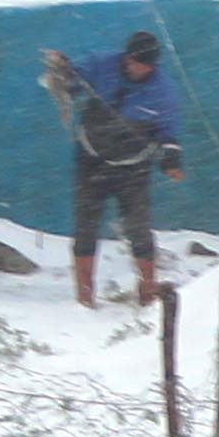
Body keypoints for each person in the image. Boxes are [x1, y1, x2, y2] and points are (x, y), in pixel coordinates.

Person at [49, 28, 185, 309]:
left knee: (138, 229)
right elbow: (72, 81)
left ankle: (147, 295)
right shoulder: (101, 64)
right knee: (85, 226)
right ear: (126, 57)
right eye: (134, 62)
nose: (137, 69)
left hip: (133, 169)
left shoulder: (163, 91)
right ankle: (84, 298)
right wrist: (62, 72)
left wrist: (171, 161)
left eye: (144, 65)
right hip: (91, 160)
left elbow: (168, 133)